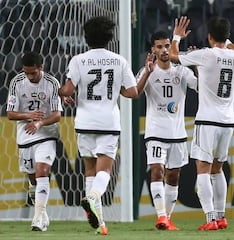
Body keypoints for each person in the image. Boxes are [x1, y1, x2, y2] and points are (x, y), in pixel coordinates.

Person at [58, 16, 138, 235]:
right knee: (105, 170)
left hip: (84, 121)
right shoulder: (119, 60)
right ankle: (92, 198)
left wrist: (60, 92)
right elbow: (132, 92)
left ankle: (101, 225)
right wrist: (117, 89)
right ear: (110, 37)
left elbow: (67, 90)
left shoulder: (78, 60)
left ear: (86, 37)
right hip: (108, 121)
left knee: (90, 171)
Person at [169, 16, 234, 230]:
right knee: (217, 168)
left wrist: (177, 35)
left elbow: (172, 55)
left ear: (209, 36)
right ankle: (221, 217)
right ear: (227, 36)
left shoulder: (205, 54)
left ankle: (210, 219)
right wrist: (227, 42)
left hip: (207, 119)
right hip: (228, 120)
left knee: (203, 169)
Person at [136, 31, 198, 230]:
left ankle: (167, 219)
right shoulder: (147, 70)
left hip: (177, 134)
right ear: (153, 49)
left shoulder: (181, 71)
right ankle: (161, 216)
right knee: (156, 171)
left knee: (173, 176)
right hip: (155, 132)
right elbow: (135, 93)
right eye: (159, 47)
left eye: (166, 46)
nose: (163, 50)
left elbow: (200, 86)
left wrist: (196, 64)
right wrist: (146, 71)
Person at [6, 52, 63, 232]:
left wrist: (39, 122)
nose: (29, 77)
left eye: (33, 73)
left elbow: (56, 115)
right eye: (26, 73)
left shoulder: (52, 83)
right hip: (25, 136)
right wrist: (29, 116)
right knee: (33, 176)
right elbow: (10, 114)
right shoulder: (16, 82)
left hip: (46, 134)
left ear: (41, 67)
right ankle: (34, 191)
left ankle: (38, 218)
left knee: (42, 170)